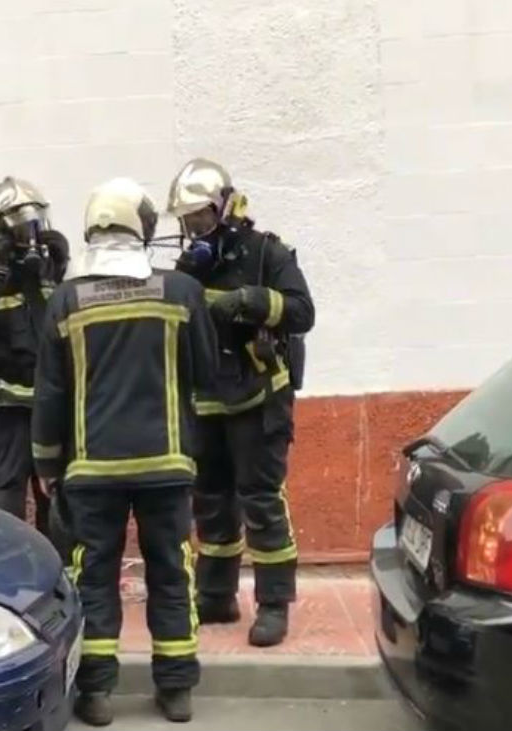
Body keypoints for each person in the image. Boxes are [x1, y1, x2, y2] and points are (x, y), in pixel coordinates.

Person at [32, 178, 220, 725]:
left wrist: (46, 463)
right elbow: (204, 377)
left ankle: (95, 692)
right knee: (170, 571)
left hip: (92, 470)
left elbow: (50, 392)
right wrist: (197, 452)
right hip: (167, 466)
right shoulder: (181, 293)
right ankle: (176, 688)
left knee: (94, 577)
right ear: (140, 228)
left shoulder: (67, 300)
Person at [166, 158, 315, 648]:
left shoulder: (265, 252)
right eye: (187, 221)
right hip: (207, 400)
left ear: (226, 207)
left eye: (201, 218)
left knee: (261, 500)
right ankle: (216, 594)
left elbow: (301, 311)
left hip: (258, 397)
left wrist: (251, 300)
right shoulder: (188, 267)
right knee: (211, 502)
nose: (194, 229)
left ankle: (273, 604)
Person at [0, 177, 69, 537]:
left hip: (50, 407)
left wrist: (62, 268)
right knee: (7, 503)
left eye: (34, 225)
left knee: (58, 503)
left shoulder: (46, 272)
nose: (30, 234)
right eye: (21, 228)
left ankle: (60, 578)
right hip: (7, 412)